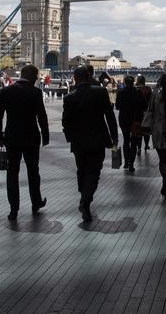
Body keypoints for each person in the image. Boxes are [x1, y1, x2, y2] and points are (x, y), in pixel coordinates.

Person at [0, 64, 49, 221]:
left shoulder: (7, 91)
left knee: (12, 174)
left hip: (12, 137)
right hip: (31, 137)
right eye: (36, 77)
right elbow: (42, 116)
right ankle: (36, 203)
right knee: (33, 172)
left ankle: (13, 209)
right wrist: (45, 136)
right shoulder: (36, 92)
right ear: (32, 77)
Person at [62, 66, 118, 222]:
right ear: (88, 77)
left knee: (81, 170)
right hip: (98, 139)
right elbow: (109, 116)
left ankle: (83, 196)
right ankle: (86, 201)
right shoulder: (100, 92)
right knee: (94, 172)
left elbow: (66, 122)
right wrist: (114, 137)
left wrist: (69, 137)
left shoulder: (69, 97)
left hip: (78, 142)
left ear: (75, 78)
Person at [115, 75, 146, 172]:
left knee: (126, 140)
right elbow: (144, 106)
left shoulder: (121, 92)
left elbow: (117, 106)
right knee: (134, 142)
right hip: (135, 120)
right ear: (133, 83)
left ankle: (126, 162)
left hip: (124, 120)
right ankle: (131, 164)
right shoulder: (137, 93)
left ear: (124, 82)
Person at [136, 75, 153, 153]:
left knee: (138, 131)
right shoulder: (148, 89)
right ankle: (146, 145)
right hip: (146, 112)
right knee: (146, 131)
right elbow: (151, 100)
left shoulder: (135, 89)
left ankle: (139, 147)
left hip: (137, 112)